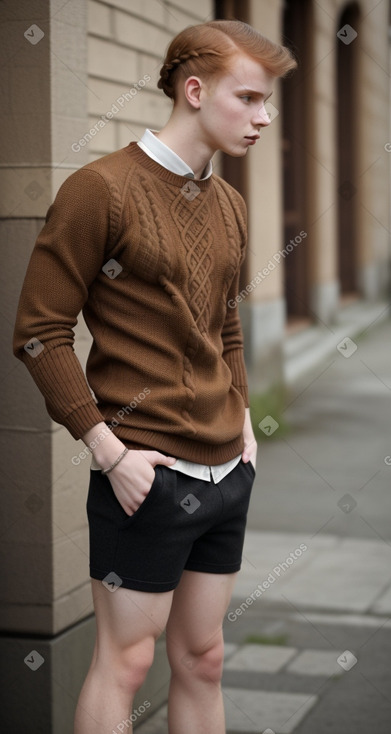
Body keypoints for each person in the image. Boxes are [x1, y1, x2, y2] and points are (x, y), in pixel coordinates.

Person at [13, 19, 296, 734]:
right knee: (127, 663)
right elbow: (39, 333)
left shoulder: (228, 203)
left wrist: (240, 432)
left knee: (202, 658)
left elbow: (222, 326)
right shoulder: (100, 190)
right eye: (250, 98)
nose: (263, 118)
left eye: (269, 102)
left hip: (225, 471)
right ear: (194, 90)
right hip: (145, 475)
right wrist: (109, 452)